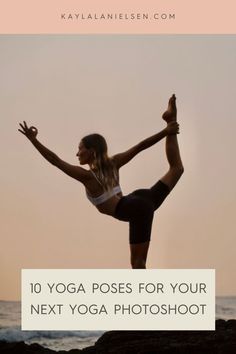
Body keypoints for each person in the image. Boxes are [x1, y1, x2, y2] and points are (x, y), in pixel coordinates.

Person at [18, 94, 184, 269]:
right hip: (144, 198)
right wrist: (166, 131)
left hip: (134, 207)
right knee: (176, 169)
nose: (77, 154)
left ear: (91, 151)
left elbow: (55, 160)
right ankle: (170, 121)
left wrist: (34, 140)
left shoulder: (88, 177)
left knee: (138, 264)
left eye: (80, 149)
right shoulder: (114, 163)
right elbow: (139, 147)